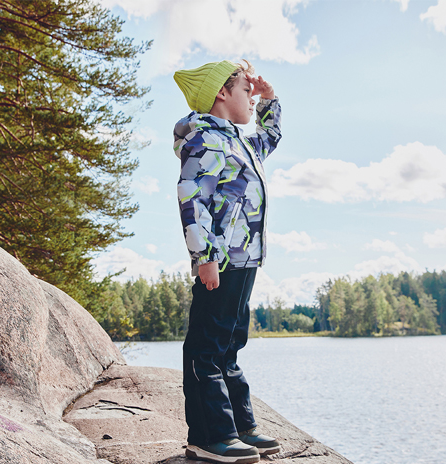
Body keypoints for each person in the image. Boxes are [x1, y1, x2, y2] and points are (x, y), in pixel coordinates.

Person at [172, 60, 281, 464]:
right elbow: (192, 196)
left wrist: (270, 99)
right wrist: (204, 257)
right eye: (245, 91)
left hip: (245, 260)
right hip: (218, 261)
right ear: (222, 93)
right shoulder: (204, 139)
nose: (251, 98)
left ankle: (240, 427)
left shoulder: (240, 142)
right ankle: (208, 436)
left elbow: (269, 136)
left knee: (230, 343)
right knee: (207, 346)